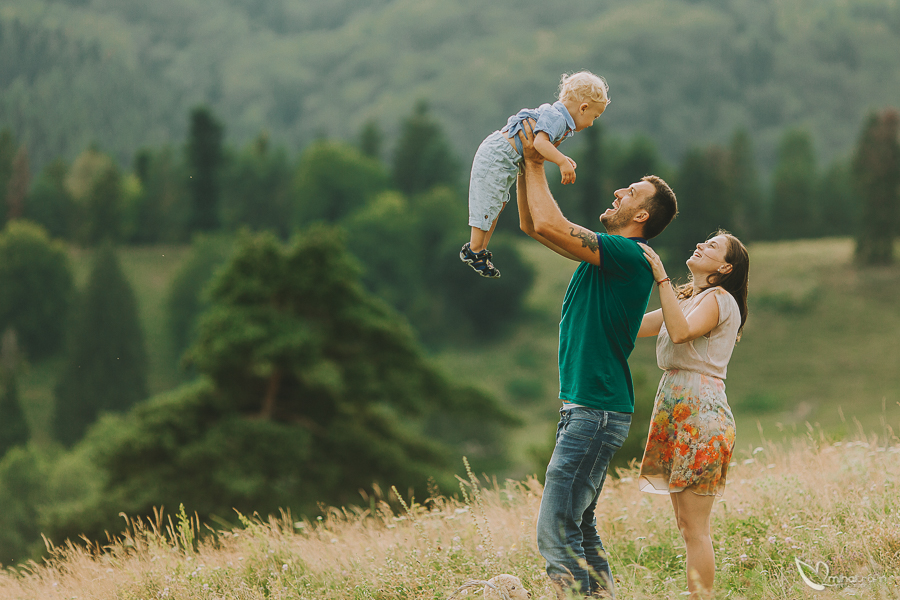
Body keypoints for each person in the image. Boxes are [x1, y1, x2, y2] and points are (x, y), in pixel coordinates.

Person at [515, 120, 678, 598]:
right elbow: (531, 225)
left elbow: (549, 223)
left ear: (642, 216)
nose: (619, 191)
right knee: (578, 529)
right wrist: (529, 163)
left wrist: (537, 160)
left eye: (631, 192)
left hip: (595, 412)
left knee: (556, 533)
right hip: (588, 411)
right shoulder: (612, 256)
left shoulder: (630, 254)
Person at [635, 231, 750, 599]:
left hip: (701, 413)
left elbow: (681, 333)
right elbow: (638, 327)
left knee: (695, 528)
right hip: (675, 408)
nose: (700, 244)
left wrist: (661, 277)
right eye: (703, 241)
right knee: (686, 525)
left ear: (725, 267)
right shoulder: (688, 298)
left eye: (712, 247)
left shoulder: (720, 299)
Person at [460, 71, 610, 278]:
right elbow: (539, 143)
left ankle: (480, 250)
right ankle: (475, 249)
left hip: (504, 158)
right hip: (497, 155)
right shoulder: (558, 118)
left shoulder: (558, 119)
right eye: (594, 116)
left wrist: (561, 158)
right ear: (583, 108)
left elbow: (538, 146)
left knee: (496, 203)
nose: (592, 123)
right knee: (488, 201)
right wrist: (560, 161)